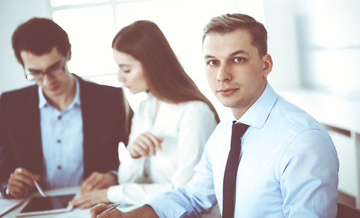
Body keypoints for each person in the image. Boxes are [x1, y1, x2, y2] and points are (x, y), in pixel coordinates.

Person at [90, 13, 339, 218]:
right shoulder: (227, 131)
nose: (222, 76)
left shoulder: (302, 141)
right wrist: (126, 216)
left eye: (237, 59)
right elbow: (193, 196)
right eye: (212, 62)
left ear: (266, 65)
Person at [70, 20, 219, 209]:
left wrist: (110, 193)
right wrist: (134, 155)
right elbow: (128, 180)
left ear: (152, 65)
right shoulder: (145, 108)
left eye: (126, 69)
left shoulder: (195, 113)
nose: (119, 78)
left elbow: (184, 192)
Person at [0, 18, 132, 198]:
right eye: (35, 73)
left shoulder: (111, 99)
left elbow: (142, 160)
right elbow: (2, 170)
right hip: (32, 208)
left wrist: (114, 177)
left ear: (68, 54)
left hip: (95, 205)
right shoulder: (9, 105)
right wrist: (9, 185)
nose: (47, 81)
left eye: (54, 68)